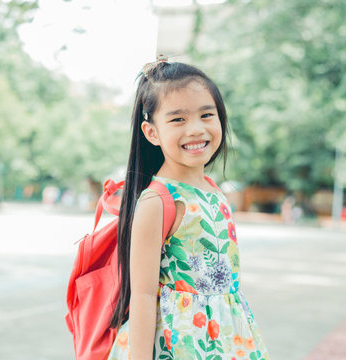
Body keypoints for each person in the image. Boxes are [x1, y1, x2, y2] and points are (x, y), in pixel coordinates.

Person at [106, 57, 270, 360]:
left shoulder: (214, 190)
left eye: (206, 114)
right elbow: (142, 296)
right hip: (179, 343)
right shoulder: (158, 201)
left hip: (229, 338)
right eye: (178, 119)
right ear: (152, 132)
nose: (196, 129)